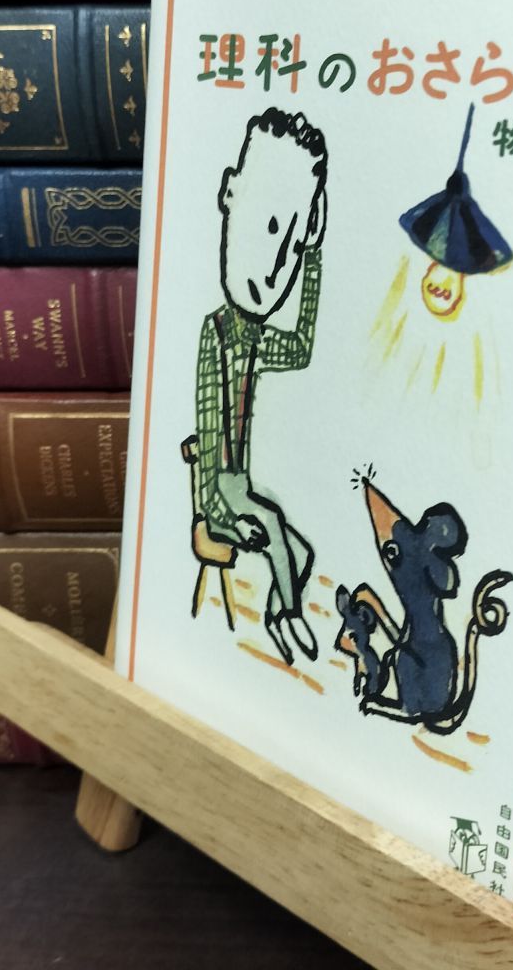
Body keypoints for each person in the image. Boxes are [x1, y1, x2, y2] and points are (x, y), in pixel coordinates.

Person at [192, 106, 328, 664]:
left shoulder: (253, 339)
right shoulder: (217, 335)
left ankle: (278, 612)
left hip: (240, 487)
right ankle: (290, 615)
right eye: (272, 227)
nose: (275, 267)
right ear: (230, 193)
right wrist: (221, 515)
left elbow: (300, 349)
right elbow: (208, 436)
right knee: (271, 523)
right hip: (220, 493)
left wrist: (312, 259)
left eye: (291, 244)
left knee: (301, 552)